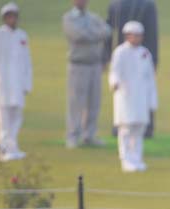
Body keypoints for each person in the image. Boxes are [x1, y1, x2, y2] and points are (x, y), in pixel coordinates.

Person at [0, 2, 32, 162]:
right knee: (3, 119)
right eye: (9, 16)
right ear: (4, 18)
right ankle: (3, 150)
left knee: (16, 116)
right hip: (2, 83)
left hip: (18, 83)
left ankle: (13, 147)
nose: (12, 19)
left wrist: (27, 83)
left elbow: (27, 62)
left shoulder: (22, 36)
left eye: (14, 16)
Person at [109, 21, 157, 172]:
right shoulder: (120, 52)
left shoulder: (145, 53)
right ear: (127, 36)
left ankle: (137, 158)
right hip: (126, 96)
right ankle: (126, 159)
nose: (137, 38)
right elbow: (114, 71)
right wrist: (115, 82)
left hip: (141, 96)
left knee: (139, 128)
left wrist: (152, 99)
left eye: (139, 36)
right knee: (126, 128)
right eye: (134, 35)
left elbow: (150, 77)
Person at [105, 0, 158, 138]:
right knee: (123, 93)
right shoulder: (117, 5)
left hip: (142, 57)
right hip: (124, 55)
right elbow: (110, 31)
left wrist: (153, 59)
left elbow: (152, 34)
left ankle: (143, 126)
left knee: (143, 91)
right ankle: (122, 125)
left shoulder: (146, 5)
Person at [63, 0, 111, 149]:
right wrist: (95, 34)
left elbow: (107, 31)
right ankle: (72, 136)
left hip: (95, 64)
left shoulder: (93, 17)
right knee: (76, 102)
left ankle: (89, 135)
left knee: (94, 102)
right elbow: (77, 35)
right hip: (78, 65)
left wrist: (90, 34)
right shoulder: (69, 18)